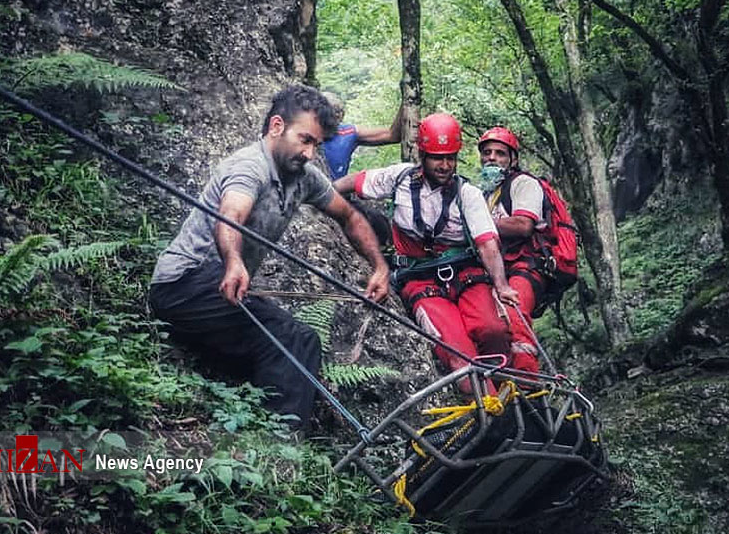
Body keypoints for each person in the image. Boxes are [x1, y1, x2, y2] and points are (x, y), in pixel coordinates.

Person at [148, 85, 390, 430]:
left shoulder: (304, 177)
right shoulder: (250, 167)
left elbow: (349, 216)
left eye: (316, 145)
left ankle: (272, 431)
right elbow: (230, 214)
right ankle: (280, 448)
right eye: (304, 139)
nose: (309, 153)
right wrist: (233, 262)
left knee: (297, 348)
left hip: (224, 294)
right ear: (276, 126)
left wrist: (379, 267)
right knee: (294, 338)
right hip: (184, 284)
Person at [333, 113, 519, 387]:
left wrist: (501, 285)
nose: (445, 165)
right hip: (419, 279)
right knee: (457, 351)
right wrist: (324, 193)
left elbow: (487, 242)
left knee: (494, 331)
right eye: (437, 158)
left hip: (465, 275)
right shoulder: (399, 179)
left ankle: (507, 393)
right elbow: (356, 181)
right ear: (423, 155)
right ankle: (485, 407)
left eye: (450, 158)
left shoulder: (467, 194)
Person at [477, 127, 547, 375]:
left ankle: (530, 387)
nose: (492, 158)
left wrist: (476, 223)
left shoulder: (523, 184)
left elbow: (523, 225)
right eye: (487, 153)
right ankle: (504, 384)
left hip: (525, 266)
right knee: (488, 325)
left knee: (514, 318)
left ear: (512, 159)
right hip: (495, 271)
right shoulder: (484, 194)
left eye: (500, 153)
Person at [321, 93, 403, 179]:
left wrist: (406, 101)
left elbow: (392, 135)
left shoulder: (348, 133)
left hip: (335, 189)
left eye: (338, 114)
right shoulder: (307, 133)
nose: (334, 119)